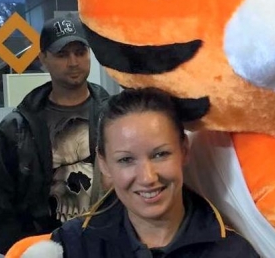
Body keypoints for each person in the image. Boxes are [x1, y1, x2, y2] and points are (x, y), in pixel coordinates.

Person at [50, 87, 259, 257]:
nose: (147, 177)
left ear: (184, 150)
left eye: (160, 154)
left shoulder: (233, 252)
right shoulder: (71, 246)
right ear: (104, 163)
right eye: (126, 160)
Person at [0, 16, 109, 253]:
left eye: (80, 52)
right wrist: (25, 249)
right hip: (42, 246)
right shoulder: (15, 129)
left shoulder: (115, 116)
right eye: (62, 54)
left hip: (106, 242)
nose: (73, 62)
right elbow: (1, 202)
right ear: (43, 59)